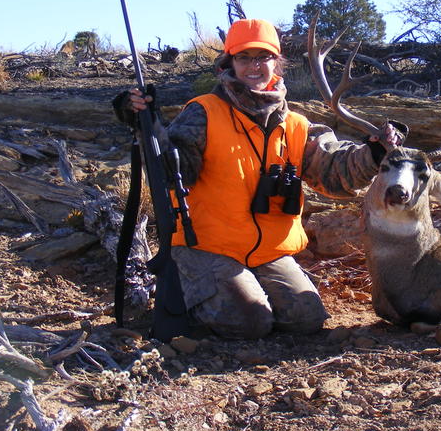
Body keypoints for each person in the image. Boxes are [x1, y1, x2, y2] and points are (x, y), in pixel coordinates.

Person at [115, 18, 403, 339]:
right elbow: (176, 166)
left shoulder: (295, 124)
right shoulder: (203, 112)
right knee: (250, 321)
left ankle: (246, 288)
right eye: (244, 58)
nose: (254, 66)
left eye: (263, 57)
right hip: (209, 247)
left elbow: (333, 171)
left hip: (268, 251)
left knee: (307, 319)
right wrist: (145, 121)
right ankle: (191, 289)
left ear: (276, 63)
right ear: (229, 63)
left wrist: (374, 153)